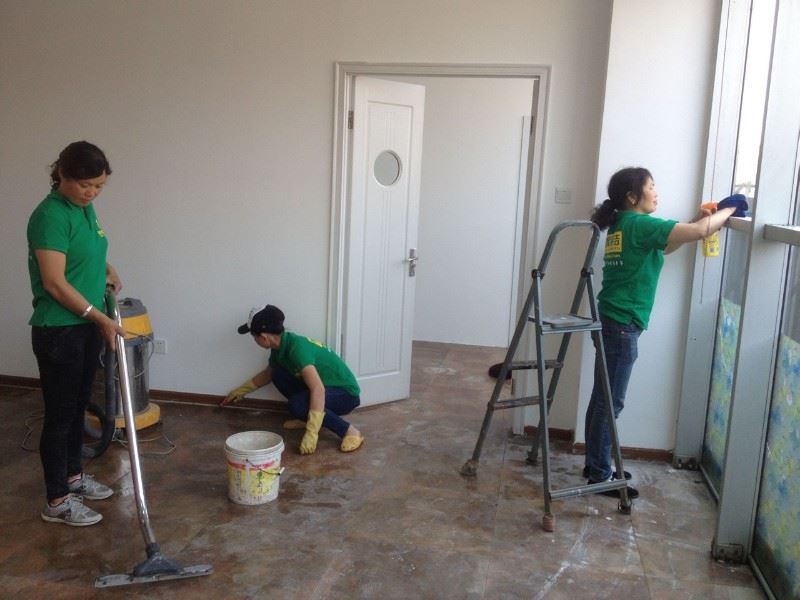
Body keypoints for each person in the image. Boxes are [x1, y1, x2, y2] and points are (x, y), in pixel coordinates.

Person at [583, 167, 744, 498]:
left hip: (612, 319)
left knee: (603, 398)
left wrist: (698, 218)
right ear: (633, 197)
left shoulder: (624, 225)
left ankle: (596, 464)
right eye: (651, 187)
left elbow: (667, 245)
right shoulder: (639, 224)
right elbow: (700, 232)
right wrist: (731, 208)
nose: (656, 193)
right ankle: (599, 475)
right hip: (622, 324)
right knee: (610, 402)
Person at [27, 141, 126, 526]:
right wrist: (99, 317)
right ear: (62, 175)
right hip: (60, 330)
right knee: (60, 416)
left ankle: (73, 478)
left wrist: (107, 268)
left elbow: (84, 251)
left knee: (77, 408)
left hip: (85, 326)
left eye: (99, 186)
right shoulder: (50, 215)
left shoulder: (84, 209)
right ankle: (56, 500)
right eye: (85, 185)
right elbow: (54, 282)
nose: (92, 192)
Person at [222, 304, 364, 454]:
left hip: (346, 394)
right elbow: (267, 374)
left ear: (263, 337)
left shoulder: (297, 349)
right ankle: (306, 416)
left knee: (297, 404)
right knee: (277, 374)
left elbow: (318, 389)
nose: (254, 340)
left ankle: (350, 431)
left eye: (253, 336)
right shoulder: (280, 347)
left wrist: (312, 432)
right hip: (325, 388)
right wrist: (240, 391)